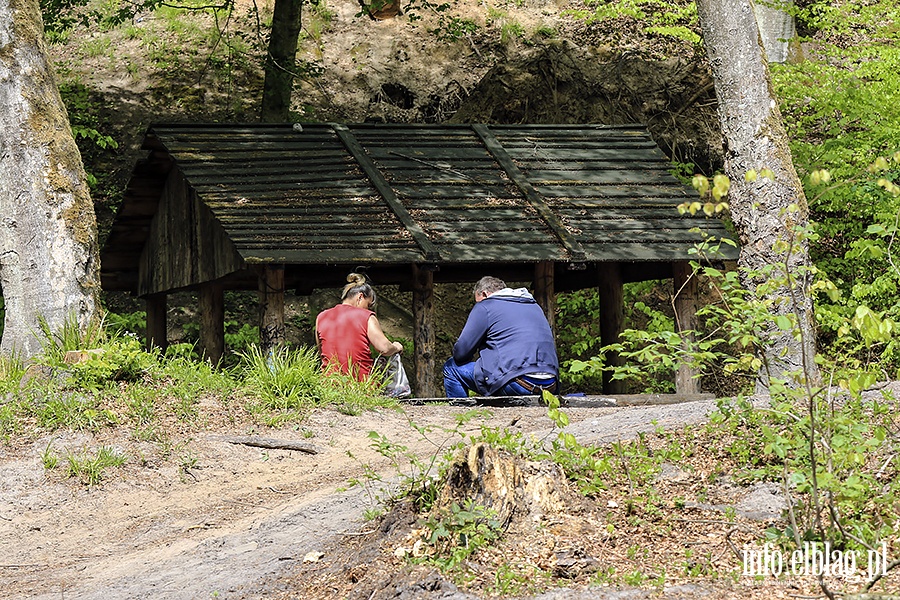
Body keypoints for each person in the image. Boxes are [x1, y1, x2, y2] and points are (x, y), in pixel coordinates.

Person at [443, 276, 559, 398]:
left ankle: (460, 414)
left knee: (451, 368)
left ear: (484, 294)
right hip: (550, 385)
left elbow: (461, 352)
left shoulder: (486, 306)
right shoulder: (534, 306)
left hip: (517, 383)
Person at [316, 273, 403, 381]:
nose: (368, 309)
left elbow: (323, 353)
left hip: (328, 387)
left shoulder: (321, 317)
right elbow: (384, 348)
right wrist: (396, 347)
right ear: (360, 297)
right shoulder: (366, 316)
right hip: (361, 388)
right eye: (368, 304)